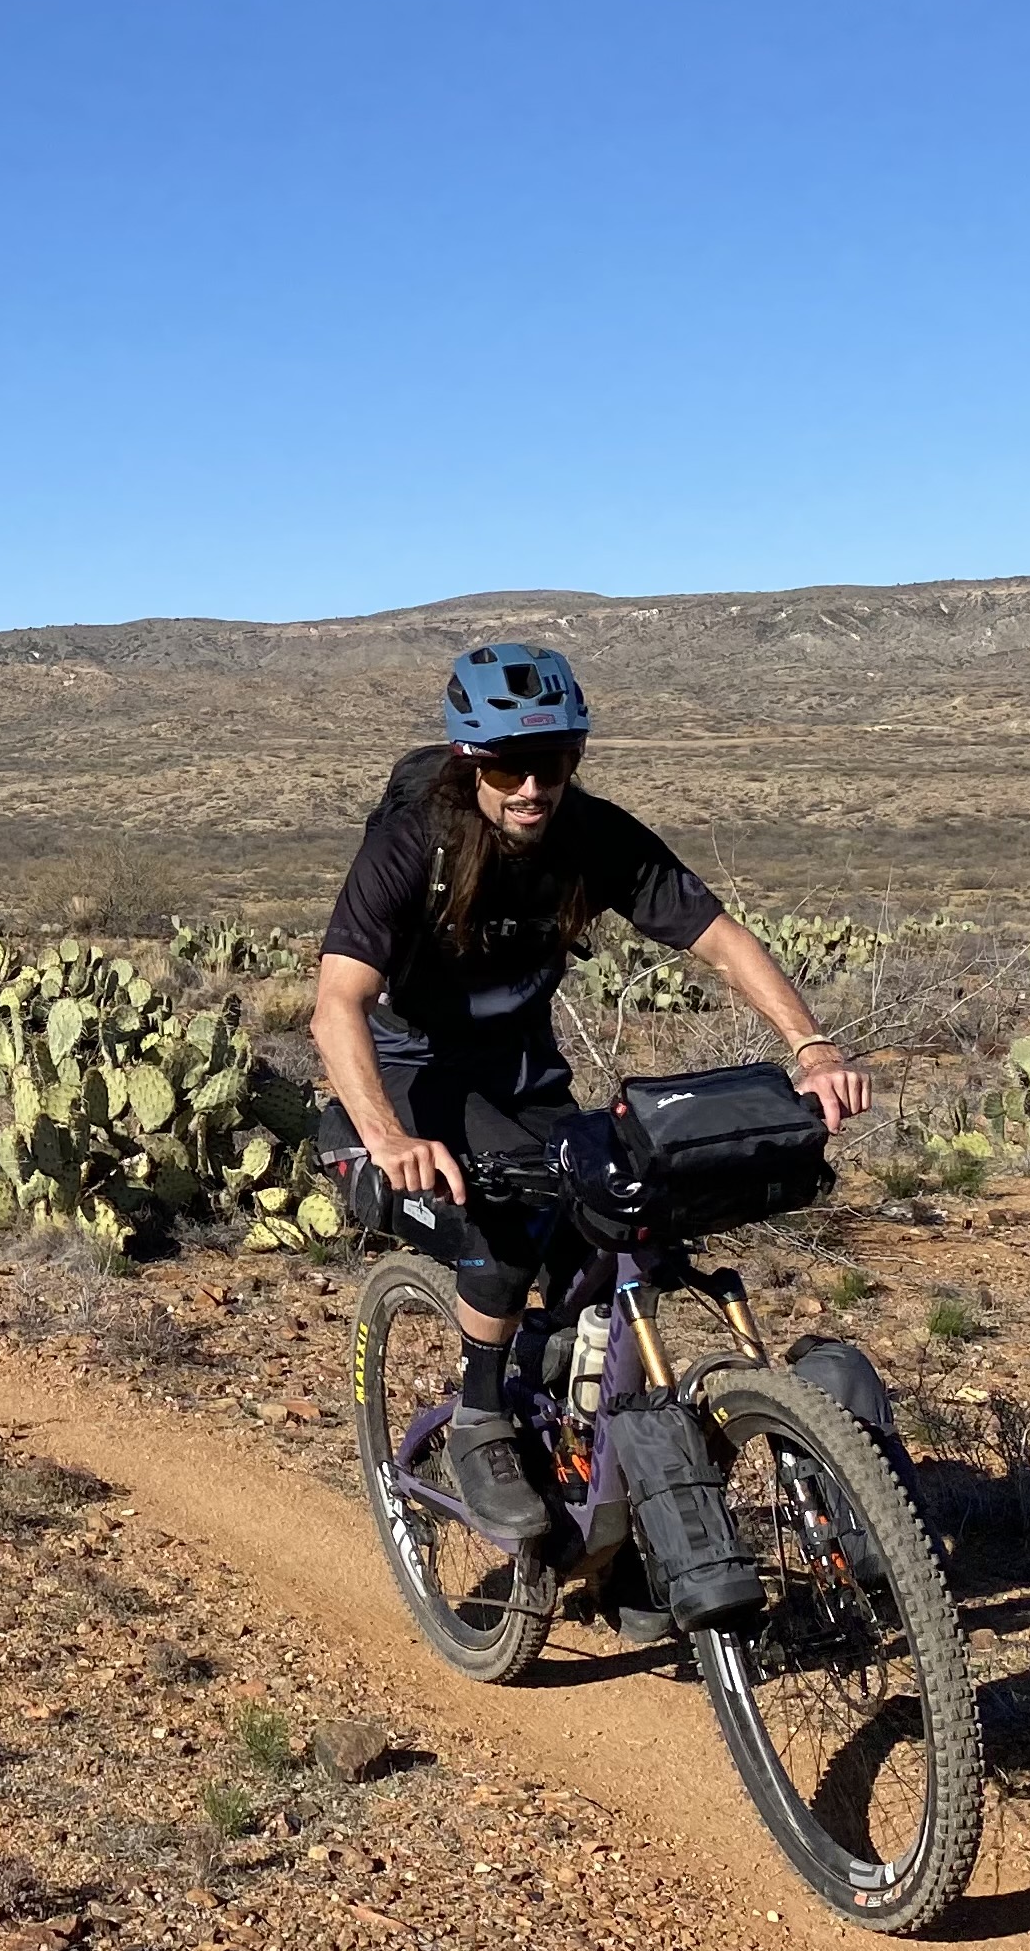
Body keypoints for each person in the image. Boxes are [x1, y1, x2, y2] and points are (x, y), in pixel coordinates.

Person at [311, 641, 870, 1541]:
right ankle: (483, 1417)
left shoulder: (593, 836)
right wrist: (386, 1138)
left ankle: (607, 1503)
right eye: (506, 767)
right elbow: (337, 1000)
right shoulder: (413, 841)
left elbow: (719, 938)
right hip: (412, 1064)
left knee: (605, 1237)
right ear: (469, 762)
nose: (531, 787)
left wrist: (809, 1044)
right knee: (510, 1214)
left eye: (554, 762)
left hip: (519, 1060)